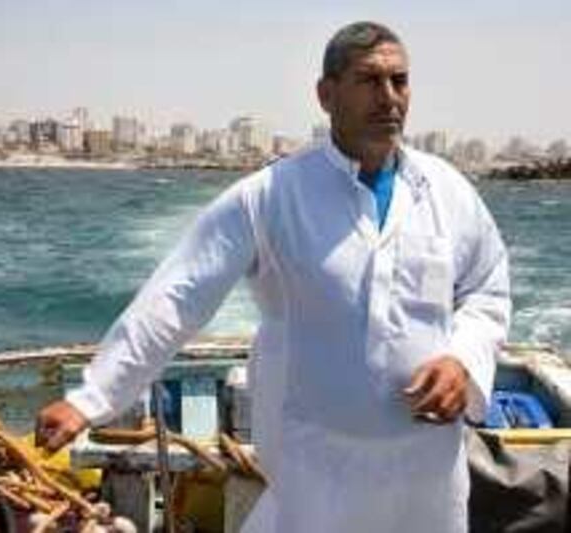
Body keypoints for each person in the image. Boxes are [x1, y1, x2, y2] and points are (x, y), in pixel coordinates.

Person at [37, 21, 510, 533]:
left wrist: (463, 359)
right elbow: (178, 297)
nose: (389, 98)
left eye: (400, 80)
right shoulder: (270, 197)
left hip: (428, 476)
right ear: (326, 95)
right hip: (318, 472)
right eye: (369, 81)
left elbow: (487, 288)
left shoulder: (448, 192)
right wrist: (93, 398)